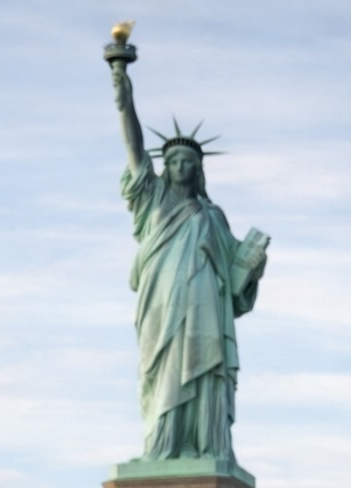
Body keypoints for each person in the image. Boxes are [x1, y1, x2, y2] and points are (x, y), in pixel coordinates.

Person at [110, 58, 268, 463]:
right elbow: (132, 144)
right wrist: (122, 85)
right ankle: (161, 448)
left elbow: (236, 280)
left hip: (206, 311)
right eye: (173, 161)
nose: (180, 166)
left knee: (206, 374)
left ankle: (208, 447)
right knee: (161, 375)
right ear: (164, 168)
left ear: (198, 170)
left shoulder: (213, 216)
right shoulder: (153, 200)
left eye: (188, 162)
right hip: (162, 305)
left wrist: (252, 264)